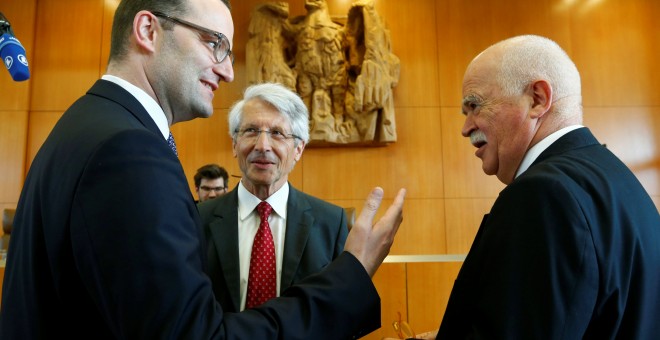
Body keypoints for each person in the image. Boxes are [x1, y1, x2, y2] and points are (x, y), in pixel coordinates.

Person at [0, 0, 406, 338]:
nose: (228, 70)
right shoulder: (130, 151)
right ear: (148, 30)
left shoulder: (89, 123)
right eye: (215, 44)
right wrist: (350, 277)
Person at [435, 35, 660, 338]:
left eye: (475, 105)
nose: (466, 128)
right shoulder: (615, 176)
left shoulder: (543, 196)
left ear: (538, 99)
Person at [197, 82, 349, 313]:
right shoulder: (197, 219)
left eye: (277, 133)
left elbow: (339, 311)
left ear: (298, 149)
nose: (263, 145)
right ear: (235, 144)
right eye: (251, 131)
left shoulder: (331, 223)